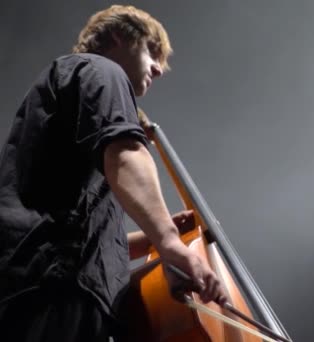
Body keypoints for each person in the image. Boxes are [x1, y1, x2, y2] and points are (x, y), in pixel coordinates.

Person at [0, 5, 226, 341]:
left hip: (35, 284)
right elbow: (125, 153)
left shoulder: (65, 86)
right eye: (153, 50)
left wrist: (154, 238)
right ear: (119, 36)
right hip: (56, 286)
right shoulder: (100, 69)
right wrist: (168, 243)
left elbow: (81, 224)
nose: (160, 70)